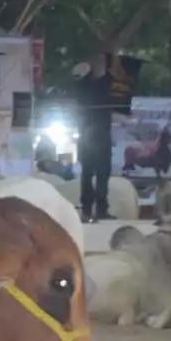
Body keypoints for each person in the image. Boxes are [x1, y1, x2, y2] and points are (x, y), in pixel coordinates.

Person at [73, 58, 114, 222]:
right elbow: (108, 82)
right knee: (102, 172)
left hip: (84, 135)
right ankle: (101, 209)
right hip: (99, 133)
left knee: (87, 173)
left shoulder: (78, 91)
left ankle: (87, 209)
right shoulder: (97, 89)